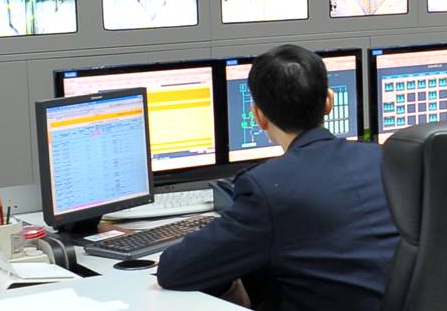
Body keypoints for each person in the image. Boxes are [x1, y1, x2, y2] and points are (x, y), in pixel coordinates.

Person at [158, 45, 399, 310]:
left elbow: (174, 270)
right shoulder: (383, 158)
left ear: (259, 116)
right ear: (328, 102)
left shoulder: (266, 188)